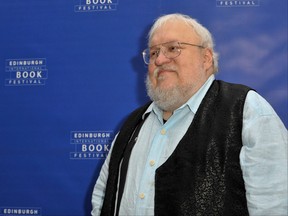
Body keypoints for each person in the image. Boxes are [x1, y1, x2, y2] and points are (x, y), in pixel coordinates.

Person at [91, 13, 287, 216]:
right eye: (154, 52)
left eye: (173, 48)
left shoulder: (245, 109)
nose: (160, 59)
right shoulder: (132, 125)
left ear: (206, 58)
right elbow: (102, 201)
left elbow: (274, 205)